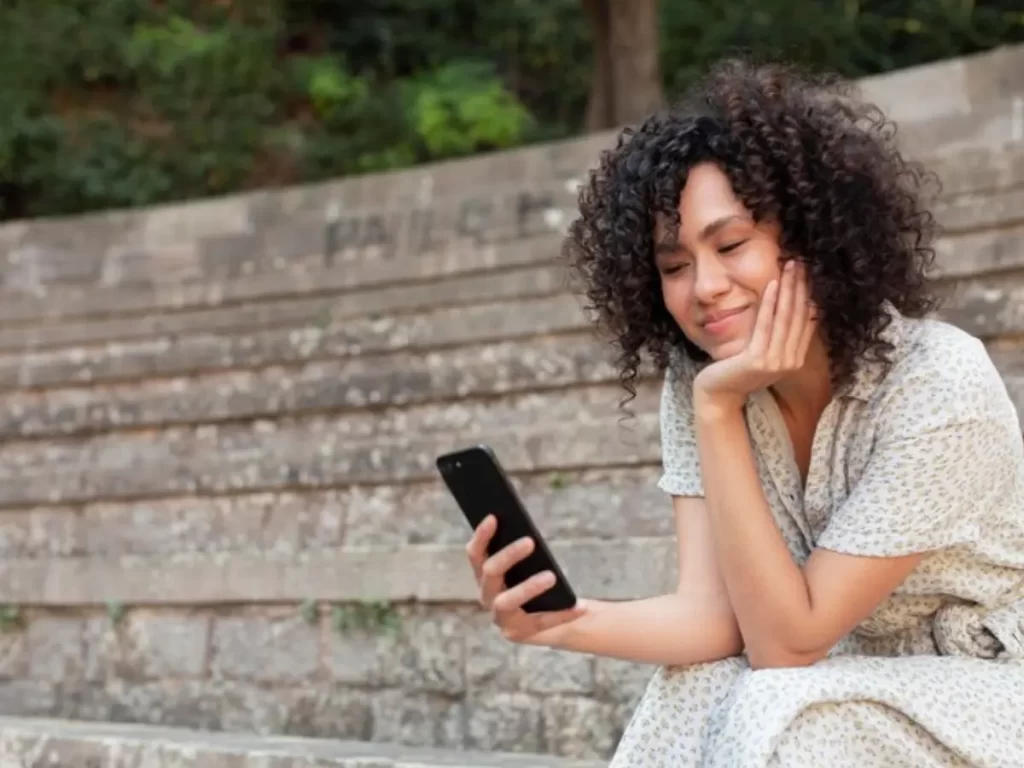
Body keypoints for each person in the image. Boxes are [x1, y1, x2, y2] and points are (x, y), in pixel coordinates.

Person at [463, 57, 1024, 766]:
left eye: (731, 245)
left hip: (996, 690)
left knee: (784, 706)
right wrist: (560, 623)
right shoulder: (708, 382)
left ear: (812, 242)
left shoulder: (937, 385)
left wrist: (718, 410)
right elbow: (715, 617)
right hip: (834, 677)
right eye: (673, 266)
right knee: (693, 689)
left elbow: (786, 644)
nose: (706, 287)